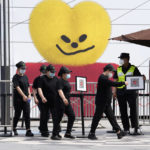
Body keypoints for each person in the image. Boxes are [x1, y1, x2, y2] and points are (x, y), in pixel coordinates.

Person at [88, 64, 128, 140]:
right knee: (97, 117)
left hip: (106, 103)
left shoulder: (105, 77)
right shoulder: (102, 78)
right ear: (107, 70)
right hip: (102, 102)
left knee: (112, 117)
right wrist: (123, 83)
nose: (112, 74)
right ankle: (91, 133)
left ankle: (119, 132)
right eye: (111, 72)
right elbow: (112, 83)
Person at [113, 53, 143, 135]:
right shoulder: (118, 69)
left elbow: (140, 78)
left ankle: (134, 127)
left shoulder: (134, 68)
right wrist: (114, 92)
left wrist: (143, 78)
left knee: (133, 110)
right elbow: (115, 81)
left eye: (122, 58)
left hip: (131, 92)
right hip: (120, 92)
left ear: (127, 59)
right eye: (120, 58)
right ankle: (126, 128)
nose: (121, 60)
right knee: (123, 111)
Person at [38, 64, 60, 139]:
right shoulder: (42, 79)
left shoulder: (56, 79)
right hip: (45, 101)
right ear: (47, 72)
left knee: (56, 117)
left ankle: (56, 132)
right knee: (44, 116)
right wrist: (42, 97)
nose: (53, 73)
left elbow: (59, 89)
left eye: (54, 71)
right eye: (51, 71)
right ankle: (44, 131)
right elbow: (39, 89)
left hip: (54, 101)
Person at [12, 61, 34, 136]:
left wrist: (29, 94)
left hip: (26, 99)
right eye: (22, 68)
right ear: (18, 69)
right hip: (18, 99)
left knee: (27, 114)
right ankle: (14, 128)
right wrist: (23, 96)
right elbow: (17, 87)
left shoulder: (25, 76)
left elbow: (28, 86)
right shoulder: (15, 77)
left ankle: (28, 130)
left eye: (24, 68)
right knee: (17, 114)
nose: (24, 70)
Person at [55, 66, 75, 139]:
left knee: (72, 116)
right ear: (63, 74)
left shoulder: (66, 81)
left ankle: (68, 133)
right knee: (58, 118)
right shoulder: (60, 81)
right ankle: (55, 134)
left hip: (67, 102)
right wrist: (63, 98)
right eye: (67, 73)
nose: (69, 74)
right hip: (60, 101)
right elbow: (59, 90)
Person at [32, 65, 50, 133]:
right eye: (43, 71)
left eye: (45, 71)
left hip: (47, 99)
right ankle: (43, 128)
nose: (44, 73)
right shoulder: (37, 79)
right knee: (43, 113)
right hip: (40, 99)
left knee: (47, 114)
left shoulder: (48, 78)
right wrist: (35, 98)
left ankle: (42, 126)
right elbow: (34, 89)